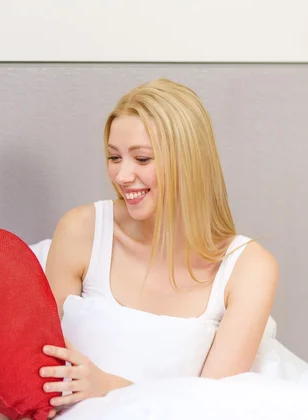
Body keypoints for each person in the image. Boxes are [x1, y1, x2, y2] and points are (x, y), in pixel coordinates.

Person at [38, 78, 280, 409]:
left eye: (141, 159)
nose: (122, 176)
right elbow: (41, 361)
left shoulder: (249, 268)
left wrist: (109, 386)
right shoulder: (82, 231)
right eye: (114, 157)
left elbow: (213, 407)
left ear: (188, 161)